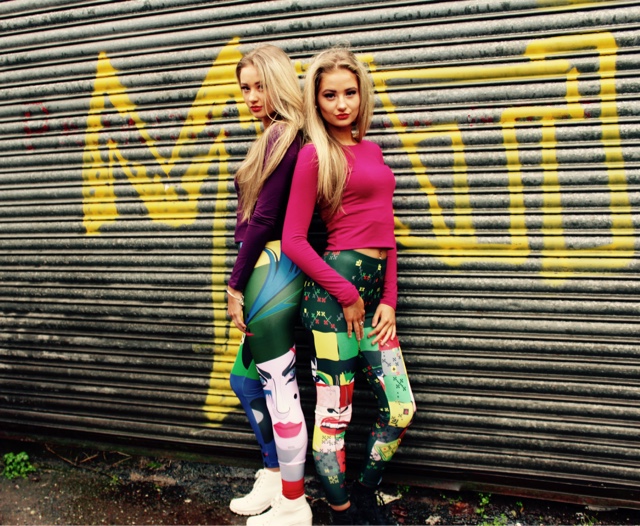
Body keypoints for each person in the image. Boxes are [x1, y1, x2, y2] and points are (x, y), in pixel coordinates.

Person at [282, 47, 416, 525]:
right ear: (316, 101)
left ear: (363, 95)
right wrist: (348, 294)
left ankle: (363, 493)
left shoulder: (372, 151)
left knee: (399, 408)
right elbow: (294, 241)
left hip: (373, 299)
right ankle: (343, 512)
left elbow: (388, 232)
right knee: (334, 417)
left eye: (350, 93)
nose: (342, 104)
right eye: (330, 95)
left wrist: (389, 299)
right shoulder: (314, 155)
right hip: (332, 301)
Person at [226, 44, 312, 526]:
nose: (252, 96)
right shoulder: (274, 135)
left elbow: (263, 219)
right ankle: (275, 474)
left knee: (280, 389)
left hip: (271, 271)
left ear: (280, 83)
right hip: (267, 268)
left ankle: (294, 503)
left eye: (261, 85)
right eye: (245, 88)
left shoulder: (284, 136)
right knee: (246, 380)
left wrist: (234, 285)